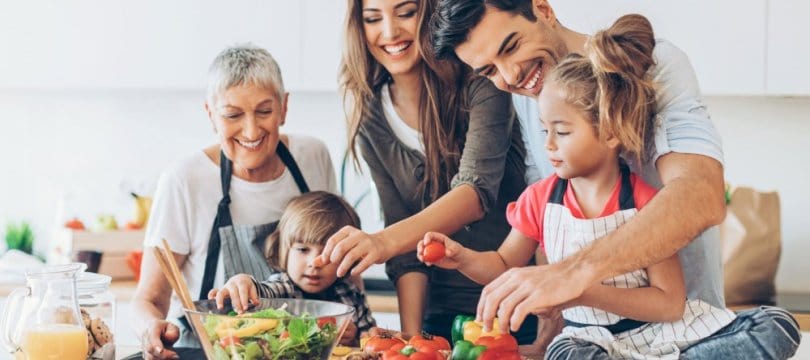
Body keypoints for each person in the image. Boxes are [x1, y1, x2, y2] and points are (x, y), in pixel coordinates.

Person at [420, 14, 800, 359]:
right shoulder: (531, 119)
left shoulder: (647, 198)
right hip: (590, 339)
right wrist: (468, 261)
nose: (510, 76)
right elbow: (518, 258)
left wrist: (573, 280)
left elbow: (698, 198)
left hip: (680, 330)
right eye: (489, 70)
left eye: (511, 46)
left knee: (776, 326)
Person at [318, 0, 542, 345]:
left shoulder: (482, 78)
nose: (390, 32)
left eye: (405, 12)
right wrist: (411, 340)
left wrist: (382, 241)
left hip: (515, 309)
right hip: (440, 319)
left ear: (429, 14)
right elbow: (407, 254)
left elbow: (474, 194)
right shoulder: (371, 117)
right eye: (373, 18)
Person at [131, 45, 338, 359]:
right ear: (211, 114)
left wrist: (350, 321)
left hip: (298, 350)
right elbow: (148, 299)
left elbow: (343, 263)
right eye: (233, 115)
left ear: (284, 107)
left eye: (264, 111)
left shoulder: (312, 157)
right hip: (205, 351)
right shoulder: (184, 180)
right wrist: (151, 329)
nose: (252, 130)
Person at [208, 191, 376, 346]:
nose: (314, 263)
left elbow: (373, 342)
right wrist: (243, 282)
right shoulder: (283, 288)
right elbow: (262, 292)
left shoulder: (352, 294)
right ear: (283, 250)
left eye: (328, 254)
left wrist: (355, 339)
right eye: (303, 250)